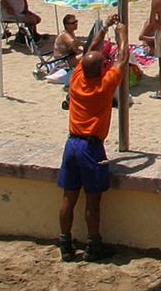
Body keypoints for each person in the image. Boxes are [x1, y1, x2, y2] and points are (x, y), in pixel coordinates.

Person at [56, 15, 129, 263]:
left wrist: (105, 27)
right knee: (92, 199)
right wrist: (121, 34)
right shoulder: (104, 85)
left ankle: (65, 243)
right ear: (100, 70)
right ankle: (93, 244)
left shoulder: (77, 79)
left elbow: (91, 50)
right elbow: (122, 59)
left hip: (71, 144)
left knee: (69, 196)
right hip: (90, 147)